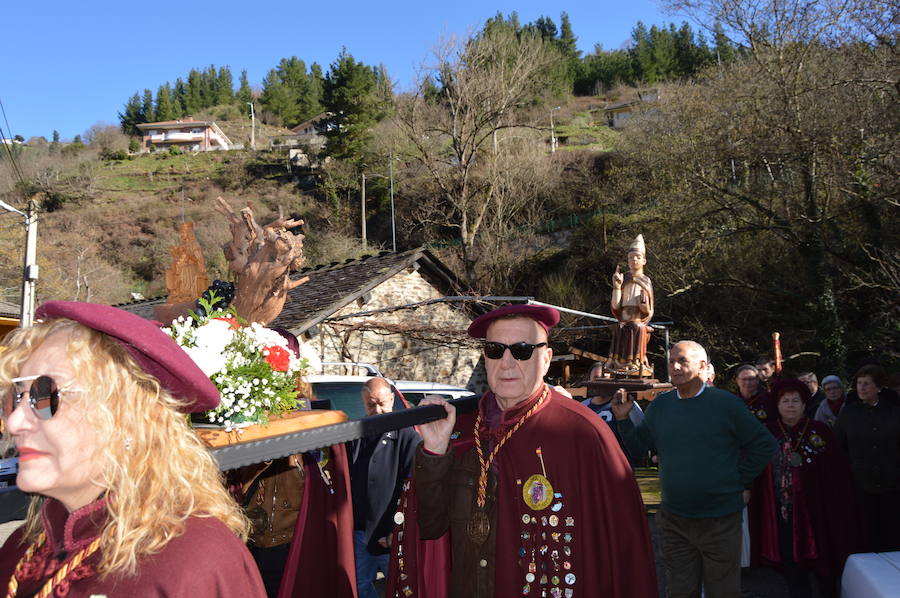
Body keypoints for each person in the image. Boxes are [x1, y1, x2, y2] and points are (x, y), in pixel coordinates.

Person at [0, 301, 265, 597]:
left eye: (43, 395)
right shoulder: (21, 549)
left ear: (129, 419)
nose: (15, 422)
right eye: (16, 397)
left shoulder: (192, 561)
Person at [414, 304, 657, 597]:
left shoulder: (583, 433)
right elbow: (429, 527)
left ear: (546, 358)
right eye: (494, 349)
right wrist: (435, 452)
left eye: (522, 350)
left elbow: (623, 551)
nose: (506, 362)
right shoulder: (462, 430)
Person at [614, 340, 777, 598]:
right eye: (671, 362)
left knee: (722, 592)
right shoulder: (661, 406)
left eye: (682, 361)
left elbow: (765, 445)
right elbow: (638, 449)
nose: (675, 367)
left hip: (720, 520)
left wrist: (737, 480)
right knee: (679, 591)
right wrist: (623, 419)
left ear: (702, 366)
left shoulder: (726, 404)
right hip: (674, 520)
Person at [749, 379, 867, 598]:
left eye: (796, 401)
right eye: (785, 401)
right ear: (777, 405)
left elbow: (837, 472)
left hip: (818, 510)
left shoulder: (820, 431)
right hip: (783, 512)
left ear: (804, 405)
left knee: (824, 558)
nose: (791, 405)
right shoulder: (766, 434)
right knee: (791, 561)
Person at [349, 377, 420, 598]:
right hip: (360, 534)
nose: (378, 410)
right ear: (363, 403)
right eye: (371, 405)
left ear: (392, 399)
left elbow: (414, 490)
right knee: (360, 589)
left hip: (391, 534)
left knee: (402, 590)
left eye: (382, 403)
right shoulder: (356, 436)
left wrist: (397, 530)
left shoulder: (408, 437)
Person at [834, 364, 900, 552]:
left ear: (879, 387)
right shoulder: (849, 413)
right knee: (866, 533)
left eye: (867, 384)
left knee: (892, 533)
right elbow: (838, 446)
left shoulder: (894, 413)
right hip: (860, 483)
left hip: (892, 484)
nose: (861, 388)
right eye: (859, 383)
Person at [606, 234, 654, 376]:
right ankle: (617, 362)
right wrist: (616, 287)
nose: (634, 260)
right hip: (624, 318)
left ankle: (636, 362)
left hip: (637, 319)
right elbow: (616, 305)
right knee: (619, 327)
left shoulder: (646, 280)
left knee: (637, 327)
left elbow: (648, 309)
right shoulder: (624, 279)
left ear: (644, 260)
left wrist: (643, 306)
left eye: (638, 257)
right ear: (627, 260)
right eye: (631, 257)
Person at [580, 361, 644, 466]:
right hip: (590, 470)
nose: (601, 383)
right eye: (596, 378)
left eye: (605, 379)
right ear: (588, 380)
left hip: (619, 470)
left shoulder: (628, 405)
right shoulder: (582, 408)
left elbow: (640, 445)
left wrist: (623, 419)